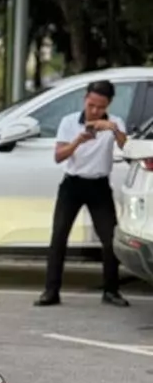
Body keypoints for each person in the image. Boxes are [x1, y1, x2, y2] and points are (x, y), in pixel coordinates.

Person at [35, 79, 129, 308]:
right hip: (72, 185)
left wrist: (113, 129)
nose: (95, 111)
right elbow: (59, 156)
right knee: (59, 237)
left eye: (101, 107)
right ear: (85, 99)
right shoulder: (69, 122)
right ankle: (51, 291)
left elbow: (125, 146)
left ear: (108, 105)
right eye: (91, 105)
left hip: (99, 186)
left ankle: (111, 291)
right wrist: (78, 141)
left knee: (110, 240)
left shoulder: (115, 122)